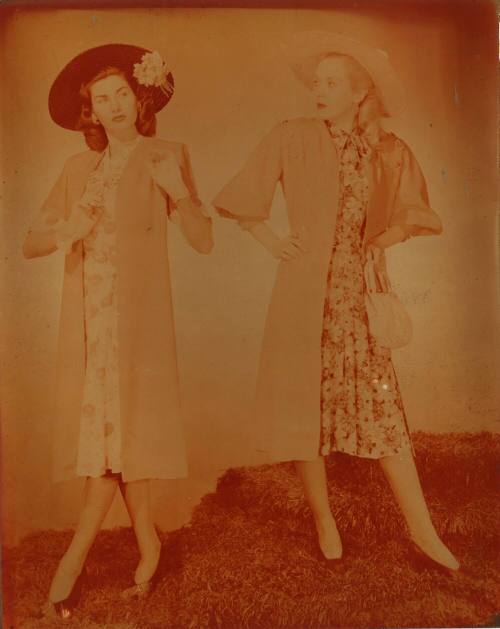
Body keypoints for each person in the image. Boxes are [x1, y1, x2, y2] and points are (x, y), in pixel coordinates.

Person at [213, 31, 459, 571]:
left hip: (360, 295)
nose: (318, 91)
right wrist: (273, 240)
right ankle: (324, 519)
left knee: (384, 412)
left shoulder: (387, 149)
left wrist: (377, 242)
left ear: (358, 92)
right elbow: (243, 198)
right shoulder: (291, 135)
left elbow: (412, 216)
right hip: (304, 294)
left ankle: (423, 532)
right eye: (316, 82)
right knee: (306, 409)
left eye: (331, 82)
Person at [23, 43, 213, 619]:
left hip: (138, 326)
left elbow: (204, 241)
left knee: (115, 446)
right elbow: (31, 242)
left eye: (121, 95)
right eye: (100, 99)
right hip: (89, 326)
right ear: (91, 112)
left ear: (140, 98)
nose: (112, 107)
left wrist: (177, 193)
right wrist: (68, 230)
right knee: (113, 442)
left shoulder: (169, 153)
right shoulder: (78, 169)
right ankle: (149, 546)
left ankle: (70, 565)